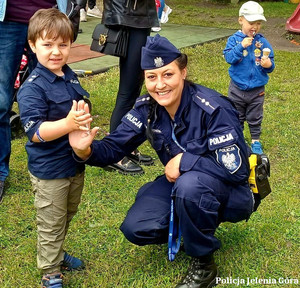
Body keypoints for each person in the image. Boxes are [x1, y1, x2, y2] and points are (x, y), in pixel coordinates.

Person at [69, 34, 256, 288]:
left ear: (183, 72)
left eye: (168, 74)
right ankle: (192, 223)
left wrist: (185, 161)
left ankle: (204, 265)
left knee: (190, 188)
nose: (160, 85)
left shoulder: (213, 108)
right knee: (137, 227)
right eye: (151, 77)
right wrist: (85, 151)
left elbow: (237, 170)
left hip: (231, 191)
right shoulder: (147, 106)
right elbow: (114, 148)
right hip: (183, 184)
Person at [17, 8, 92, 288]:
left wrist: (83, 121)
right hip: (50, 171)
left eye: (63, 44)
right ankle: (50, 271)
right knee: (51, 221)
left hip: (73, 164)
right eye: (47, 45)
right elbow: (35, 132)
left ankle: (57, 254)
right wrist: (69, 123)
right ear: (33, 46)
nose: (56, 52)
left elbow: (78, 107)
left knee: (65, 214)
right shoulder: (32, 88)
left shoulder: (69, 76)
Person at [0, 0, 79, 203]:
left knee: (58, 95)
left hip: (50, 15)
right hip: (7, 18)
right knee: (0, 102)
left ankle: (61, 162)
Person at [101, 0, 159, 174]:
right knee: (127, 90)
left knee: (133, 88)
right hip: (129, 17)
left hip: (140, 17)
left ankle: (126, 146)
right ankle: (114, 153)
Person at [223, 1, 275, 155]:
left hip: (257, 89)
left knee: (255, 116)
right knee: (236, 116)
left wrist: (268, 64)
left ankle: (255, 140)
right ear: (241, 20)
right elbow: (229, 58)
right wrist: (241, 46)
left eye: (258, 23)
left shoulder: (262, 42)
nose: (255, 27)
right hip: (237, 88)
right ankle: (238, 139)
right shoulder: (234, 40)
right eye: (251, 22)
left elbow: (271, 64)